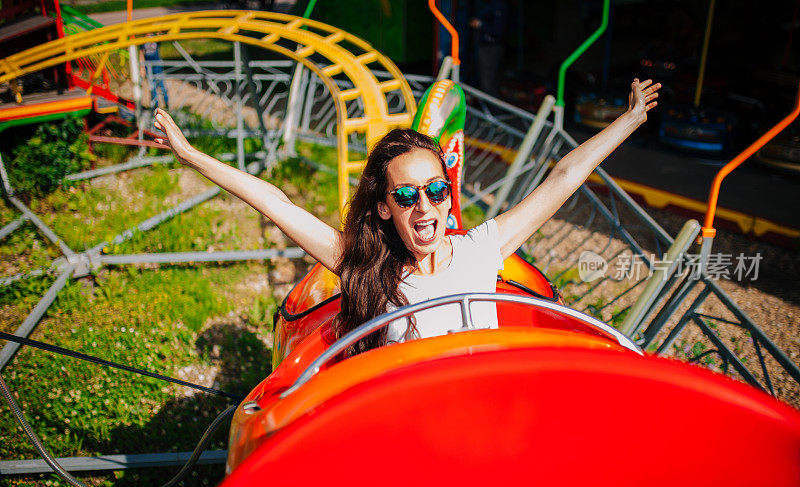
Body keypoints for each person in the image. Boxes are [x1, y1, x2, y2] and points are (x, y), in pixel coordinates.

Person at [153, 79, 660, 355]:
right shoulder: (367, 266)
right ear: (383, 206)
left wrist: (630, 120)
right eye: (407, 196)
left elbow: (564, 177)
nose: (425, 207)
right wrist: (192, 156)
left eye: (437, 191)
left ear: (448, 197)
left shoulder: (481, 249)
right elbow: (275, 203)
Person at [142, 38, 169, 109]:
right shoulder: (142, 41)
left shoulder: (156, 38)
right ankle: (155, 105)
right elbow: (141, 53)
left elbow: (162, 36)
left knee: (161, 85)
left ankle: (166, 104)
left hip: (157, 65)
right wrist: (142, 67)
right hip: (149, 66)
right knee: (152, 86)